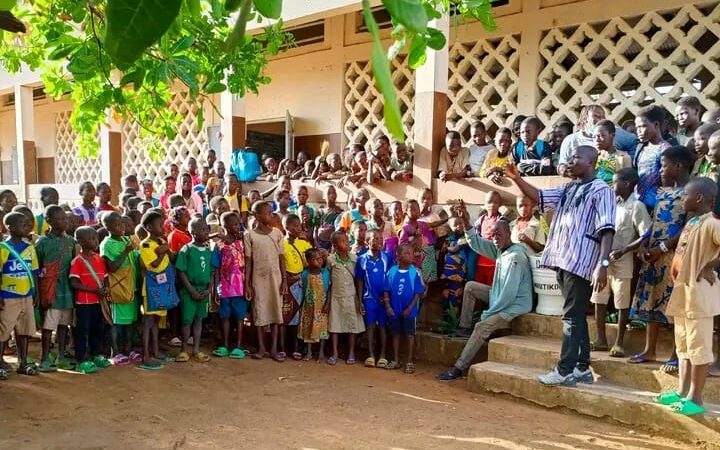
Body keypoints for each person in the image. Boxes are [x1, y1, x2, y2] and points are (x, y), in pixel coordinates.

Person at [506, 145, 616, 386]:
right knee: (575, 316)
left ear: (591, 163)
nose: (571, 160)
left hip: (581, 261)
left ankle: (564, 370)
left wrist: (603, 263)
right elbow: (540, 197)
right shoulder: (570, 187)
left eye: (577, 157)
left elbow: (607, 229)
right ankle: (582, 367)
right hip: (562, 260)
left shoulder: (601, 190)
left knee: (571, 317)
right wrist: (516, 177)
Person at [437, 216, 532, 381]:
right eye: (493, 235)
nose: (495, 238)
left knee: (482, 326)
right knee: (471, 287)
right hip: (500, 296)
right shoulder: (501, 250)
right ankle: (465, 327)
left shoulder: (514, 257)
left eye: (499, 235)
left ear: (509, 234)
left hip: (514, 305)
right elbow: (476, 243)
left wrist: (488, 314)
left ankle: (459, 367)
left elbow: (508, 295)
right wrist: (466, 221)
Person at [655, 177, 720, 415]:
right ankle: (682, 392)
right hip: (683, 294)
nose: (683, 199)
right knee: (684, 347)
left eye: (686, 196)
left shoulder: (712, 223)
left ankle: (696, 398)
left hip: (699, 295)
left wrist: (710, 266)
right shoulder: (693, 222)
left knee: (699, 348)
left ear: (700, 198)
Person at [628, 146, 692, 370]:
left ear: (679, 166)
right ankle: (649, 349)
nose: (660, 170)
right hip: (653, 255)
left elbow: (687, 227)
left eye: (664, 166)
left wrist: (663, 248)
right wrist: (645, 243)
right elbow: (655, 222)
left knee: (674, 306)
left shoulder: (690, 192)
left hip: (674, 256)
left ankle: (676, 353)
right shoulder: (663, 193)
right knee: (652, 300)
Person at [589, 168, 651, 357]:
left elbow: (646, 234)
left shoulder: (637, 206)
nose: (611, 185)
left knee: (622, 302)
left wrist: (625, 250)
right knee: (599, 298)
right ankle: (601, 339)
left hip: (623, 260)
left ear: (626, 184)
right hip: (603, 259)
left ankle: (619, 343)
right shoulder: (610, 204)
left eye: (615, 182)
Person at [244, 201, 286, 361]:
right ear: (257, 216)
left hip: (275, 277)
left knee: (276, 312)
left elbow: (282, 257)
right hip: (258, 278)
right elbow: (249, 260)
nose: (271, 215)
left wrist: (284, 281)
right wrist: (247, 283)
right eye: (268, 213)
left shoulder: (277, 233)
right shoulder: (249, 235)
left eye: (271, 212)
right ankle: (261, 348)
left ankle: (274, 348)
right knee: (259, 312)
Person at [36, 205, 76, 372]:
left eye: (65, 218)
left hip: (68, 292)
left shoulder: (70, 241)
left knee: (64, 325)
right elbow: (37, 269)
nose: (65, 221)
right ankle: (45, 358)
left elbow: (74, 266)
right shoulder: (42, 243)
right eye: (60, 219)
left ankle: (61, 355)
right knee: (48, 327)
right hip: (52, 292)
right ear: (49, 221)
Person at [0, 212, 39, 378]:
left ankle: (23, 362)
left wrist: (35, 292)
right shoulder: (3, 249)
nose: (27, 227)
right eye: (22, 225)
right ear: (10, 228)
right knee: (3, 331)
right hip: (8, 296)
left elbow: (34, 272)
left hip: (26, 295)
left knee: (24, 330)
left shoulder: (30, 248)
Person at [69, 226, 112, 374]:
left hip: (97, 302)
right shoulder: (77, 261)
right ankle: (81, 359)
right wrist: (95, 290)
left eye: (96, 238)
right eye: (92, 238)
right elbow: (74, 283)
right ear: (80, 241)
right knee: (82, 331)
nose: (96, 241)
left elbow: (105, 278)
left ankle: (96, 354)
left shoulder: (99, 259)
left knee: (97, 329)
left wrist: (106, 290)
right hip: (84, 303)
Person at [100, 212, 138, 366]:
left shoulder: (126, 239)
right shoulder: (107, 244)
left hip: (130, 288)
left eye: (122, 223)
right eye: (117, 225)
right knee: (115, 322)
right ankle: (115, 351)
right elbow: (112, 267)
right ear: (107, 227)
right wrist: (126, 251)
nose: (121, 227)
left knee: (130, 321)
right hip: (117, 288)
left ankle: (128, 349)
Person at [139, 210, 175, 370]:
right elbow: (152, 265)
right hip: (151, 287)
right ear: (149, 227)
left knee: (156, 321)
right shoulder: (145, 244)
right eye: (159, 225)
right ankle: (145, 355)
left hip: (163, 286)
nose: (163, 227)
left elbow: (172, 258)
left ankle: (156, 351)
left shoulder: (161, 241)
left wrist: (166, 248)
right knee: (148, 321)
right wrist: (161, 252)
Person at [175, 217, 213, 363]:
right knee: (186, 320)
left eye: (207, 229)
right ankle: (184, 349)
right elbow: (181, 271)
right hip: (189, 291)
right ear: (193, 232)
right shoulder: (187, 250)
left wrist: (209, 289)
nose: (207, 232)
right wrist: (191, 290)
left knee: (199, 320)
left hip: (203, 291)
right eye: (203, 229)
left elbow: (211, 272)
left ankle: (196, 349)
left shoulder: (208, 250)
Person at [384, 243, 425, 374]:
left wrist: (410, 309)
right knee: (395, 334)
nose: (411, 255)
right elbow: (386, 290)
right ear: (399, 255)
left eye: (412, 253)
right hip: (394, 309)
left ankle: (409, 362)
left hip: (410, 311)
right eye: (407, 253)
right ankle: (396, 360)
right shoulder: (392, 271)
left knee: (409, 335)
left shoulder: (415, 272)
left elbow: (418, 293)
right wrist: (388, 306)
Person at [211, 212, 247, 359]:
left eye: (238, 224)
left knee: (239, 317)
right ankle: (225, 345)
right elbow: (216, 268)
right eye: (234, 224)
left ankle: (238, 346)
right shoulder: (219, 246)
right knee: (224, 317)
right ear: (224, 226)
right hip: (224, 287)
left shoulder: (243, 242)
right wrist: (215, 288)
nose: (237, 227)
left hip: (240, 287)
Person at [327, 231, 365, 365]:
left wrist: (360, 300)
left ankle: (351, 352)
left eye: (347, 240)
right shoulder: (330, 260)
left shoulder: (354, 259)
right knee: (334, 326)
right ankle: (335, 352)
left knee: (352, 326)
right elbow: (328, 281)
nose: (346, 243)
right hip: (336, 297)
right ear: (335, 246)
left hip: (351, 297)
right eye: (342, 241)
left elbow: (358, 280)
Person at [356, 229, 391, 368]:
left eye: (379, 238)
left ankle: (382, 356)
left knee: (382, 327)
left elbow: (390, 278)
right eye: (373, 239)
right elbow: (360, 281)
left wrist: (388, 298)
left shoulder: (387, 257)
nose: (377, 241)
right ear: (367, 241)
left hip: (383, 300)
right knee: (370, 327)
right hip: (369, 299)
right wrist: (360, 301)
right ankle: (370, 355)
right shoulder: (362, 259)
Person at [282, 214, 312, 360]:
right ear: (286, 227)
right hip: (287, 284)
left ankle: (296, 347)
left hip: (301, 283)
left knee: (298, 316)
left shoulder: (304, 244)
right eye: (294, 225)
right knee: (287, 315)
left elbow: (313, 259)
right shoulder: (282, 244)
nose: (298, 228)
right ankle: (283, 347)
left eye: (299, 225)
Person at [634, 105, 671, 210]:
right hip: (639, 203)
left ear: (656, 125)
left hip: (656, 205)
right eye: (637, 127)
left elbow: (667, 184)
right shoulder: (642, 148)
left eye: (642, 126)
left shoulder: (664, 149)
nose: (639, 131)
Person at [298, 248, 330, 361]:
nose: (319, 261)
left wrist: (327, 304)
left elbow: (329, 289)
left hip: (321, 307)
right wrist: (301, 306)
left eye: (320, 258)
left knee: (322, 329)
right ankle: (309, 351)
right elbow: (302, 291)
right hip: (309, 306)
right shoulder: (305, 274)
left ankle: (321, 352)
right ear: (309, 261)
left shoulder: (325, 273)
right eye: (316, 259)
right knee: (308, 328)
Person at [439, 217, 468, 319]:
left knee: (456, 296)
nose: (458, 226)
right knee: (445, 295)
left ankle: (453, 322)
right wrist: (444, 248)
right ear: (450, 227)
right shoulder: (449, 238)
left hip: (458, 273)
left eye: (460, 223)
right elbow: (442, 251)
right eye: (455, 225)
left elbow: (454, 249)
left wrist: (446, 248)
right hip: (447, 274)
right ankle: (445, 322)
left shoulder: (465, 238)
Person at [474, 191, 503, 285]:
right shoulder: (481, 220)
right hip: (480, 259)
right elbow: (475, 234)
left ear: (500, 205)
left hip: (494, 260)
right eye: (490, 202)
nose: (492, 205)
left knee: (491, 287)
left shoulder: (501, 220)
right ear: (485, 204)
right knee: (479, 284)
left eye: (496, 202)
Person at [594, 120, 632, 185]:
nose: (597, 140)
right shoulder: (594, 157)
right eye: (594, 137)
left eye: (601, 136)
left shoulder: (624, 158)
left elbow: (626, 185)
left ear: (612, 135)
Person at [315, 185, 344, 251]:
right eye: (329, 193)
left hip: (333, 245)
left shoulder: (340, 212)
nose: (332, 195)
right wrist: (317, 245)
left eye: (334, 193)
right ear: (323, 196)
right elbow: (315, 229)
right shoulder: (320, 211)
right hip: (320, 244)